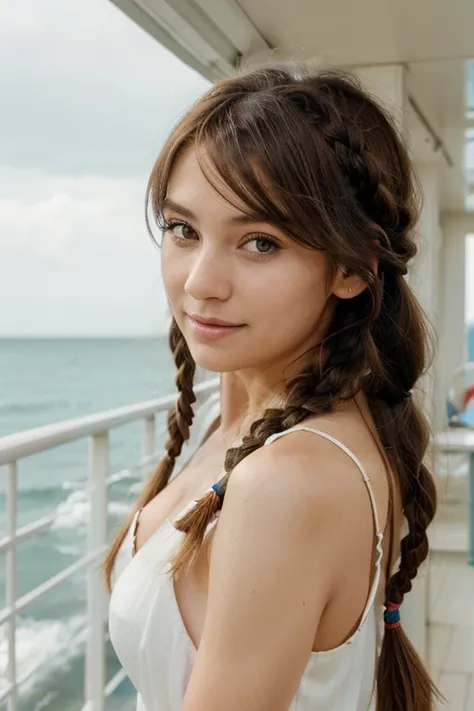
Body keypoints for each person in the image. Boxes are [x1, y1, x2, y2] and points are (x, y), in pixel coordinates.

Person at [105, 64, 439, 711]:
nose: (201, 281)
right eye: (184, 229)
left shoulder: (283, 482)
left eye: (259, 241)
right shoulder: (284, 423)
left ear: (351, 268)